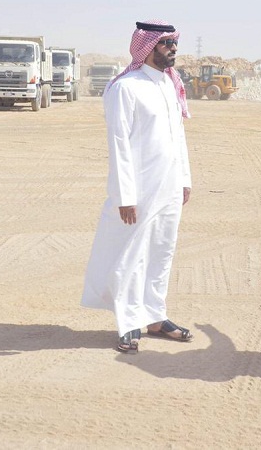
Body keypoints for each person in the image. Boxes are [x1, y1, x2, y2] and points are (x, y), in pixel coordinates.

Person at [81, 20, 193, 353]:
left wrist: (184, 179)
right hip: (140, 189)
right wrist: (125, 196)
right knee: (132, 255)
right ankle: (129, 321)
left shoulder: (170, 84)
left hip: (169, 186)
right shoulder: (126, 88)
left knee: (161, 251)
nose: (173, 48)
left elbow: (178, 137)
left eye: (174, 42)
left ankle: (155, 317)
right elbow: (119, 145)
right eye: (166, 43)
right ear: (147, 47)